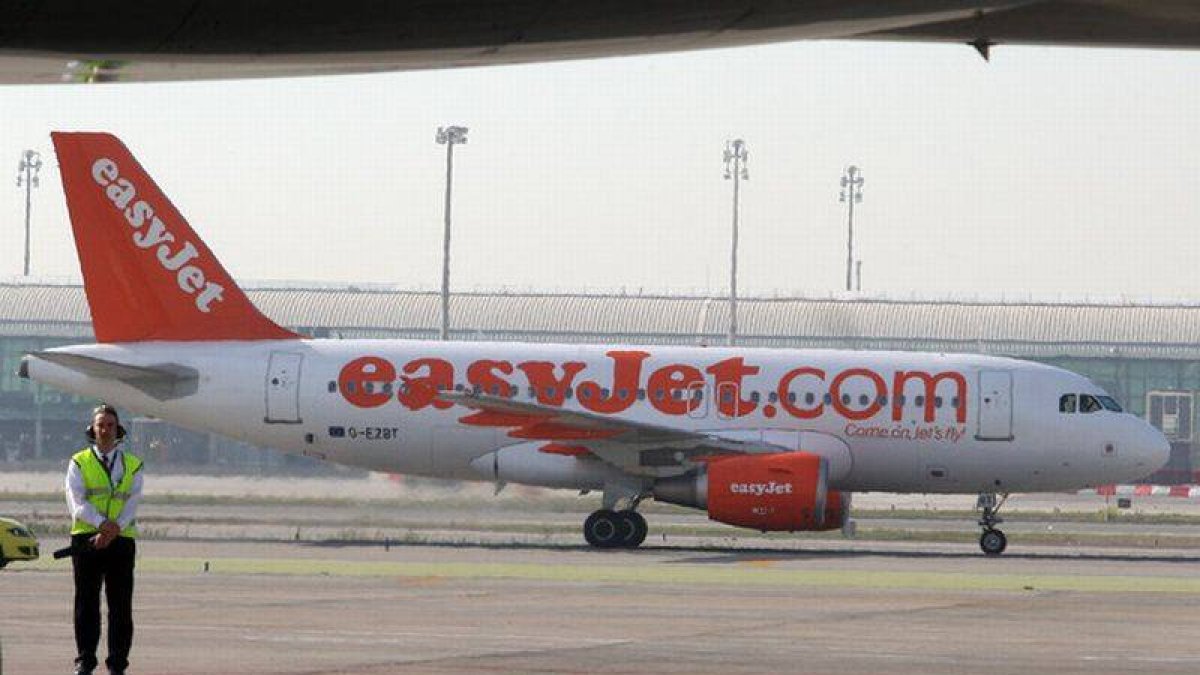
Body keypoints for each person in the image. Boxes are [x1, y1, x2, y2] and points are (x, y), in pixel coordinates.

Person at [65, 404, 143, 675]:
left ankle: (117, 663)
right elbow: (77, 502)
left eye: (110, 425)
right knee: (86, 603)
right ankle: (85, 660)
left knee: (120, 605)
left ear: (118, 429)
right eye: (100, 425)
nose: (105, 430)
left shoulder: (133, 465)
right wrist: (100, 525)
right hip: (86, 538)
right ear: (92, 430)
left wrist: (111, 530)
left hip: (120, 540)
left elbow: (132, 503)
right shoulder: (78, 462)